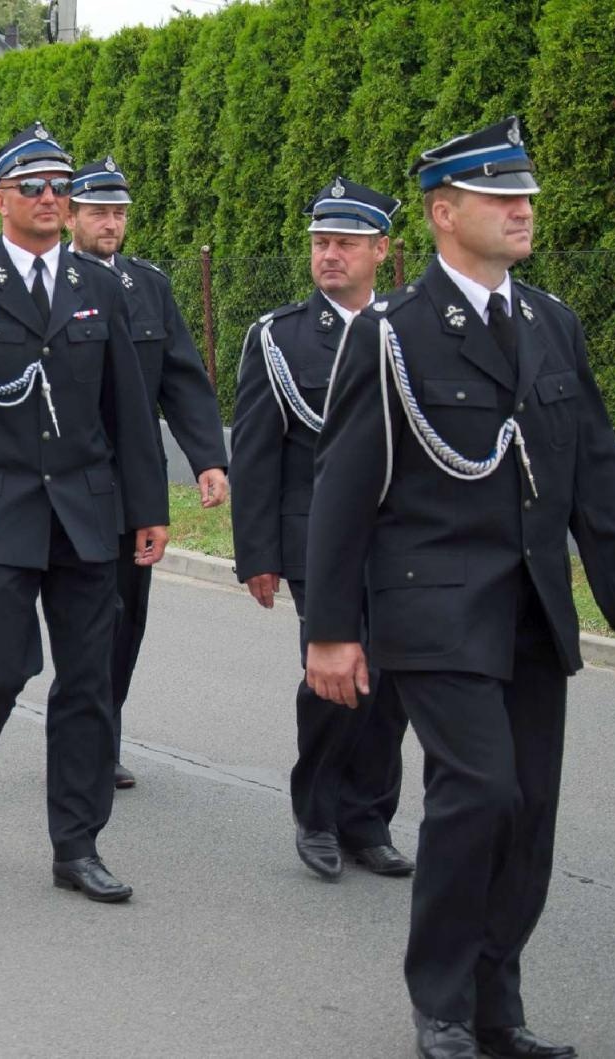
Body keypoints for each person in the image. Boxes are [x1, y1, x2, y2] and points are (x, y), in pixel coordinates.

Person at [303, 116, 615, 1059]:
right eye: (502, 196)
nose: (523, 209)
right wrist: (331, 629)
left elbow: (593, 468)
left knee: (529, 814)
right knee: (482, 791)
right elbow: (342, 490)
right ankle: (444, 1004)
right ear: (443, 213)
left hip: (531, 611)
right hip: (432, 607)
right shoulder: (392, 332)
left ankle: (498, 1007)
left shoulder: (551, 323)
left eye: (527, 195)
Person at [0, 123, 170, 902]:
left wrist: (147, 507)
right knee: (1, 668)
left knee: (88, 682)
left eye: (61, 187)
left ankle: (77, 845)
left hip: (87, 510)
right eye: (34, 187)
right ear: (1, 199)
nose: (51, 198)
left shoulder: (100, 287)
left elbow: (128, 407)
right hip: (1, 508)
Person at [229, 176, 412, 882]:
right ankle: (318, 814)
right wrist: (258, 554)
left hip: (399, 540)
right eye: (320, 243)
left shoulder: (407, 328)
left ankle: (369, 820)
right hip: (315, 540)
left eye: (345, 243)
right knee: (335, 678)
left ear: (380, 250)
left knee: (390, 685)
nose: (329, 255)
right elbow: (256, 452)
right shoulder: (280, 338)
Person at [66, 157, 230, 791]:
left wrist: (208, 458)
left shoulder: (148, 287)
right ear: (72, 216)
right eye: (98, 212)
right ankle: (81, 737)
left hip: (135, 483)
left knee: (125, 616)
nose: (110, 223)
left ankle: (102, 734)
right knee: (84, 615)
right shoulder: (50, 285)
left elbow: (182, 378)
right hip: (70, 481)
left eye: (119, 214)